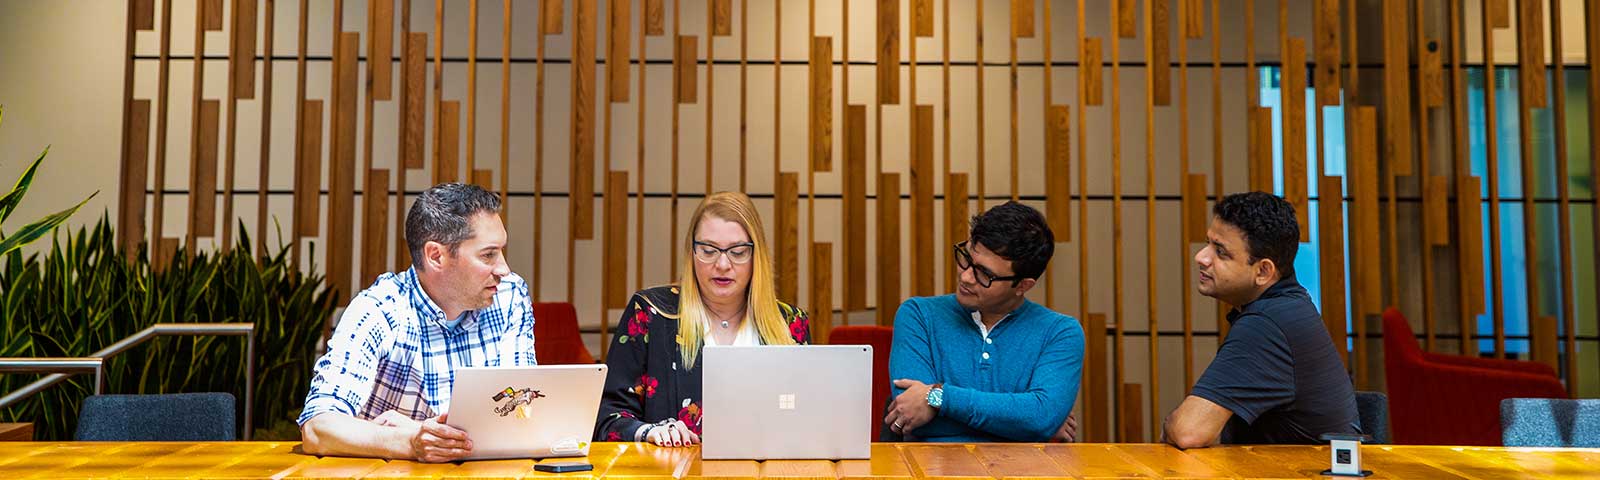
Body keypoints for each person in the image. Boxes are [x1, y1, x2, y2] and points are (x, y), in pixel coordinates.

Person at [298, 183, 536, 462]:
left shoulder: (509, 296)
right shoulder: (379, 309)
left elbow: (521, 410)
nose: (503, 269)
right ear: (436, 256)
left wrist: (419, 430)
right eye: (488, 255)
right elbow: (318, 427)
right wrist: (410, 441)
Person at [594, 192, 811, 447]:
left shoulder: (788, 323)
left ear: (756, 257)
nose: (722, 264)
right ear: (692, 252)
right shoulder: (651, 314)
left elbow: (807, 420)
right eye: (708, 251)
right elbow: (606, 418)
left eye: (738, 252)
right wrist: (648, 432)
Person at [1163, 191, 1359, 448]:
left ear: (1264, 271)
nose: (1201, 257)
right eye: (1208, 243)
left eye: (1220, 252)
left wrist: (1169, 422)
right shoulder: (1287, 305)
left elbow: (1188, 432)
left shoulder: (1268, 324)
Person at [885, 201, 1084, 442]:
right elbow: (912, 417)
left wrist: (938, 397)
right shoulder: (918, 315)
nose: (966, 276)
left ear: (1023, 285)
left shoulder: (1060, 332)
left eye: (984, 274)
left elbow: (1040, 418)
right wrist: (1023, 422)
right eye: (966, 258)